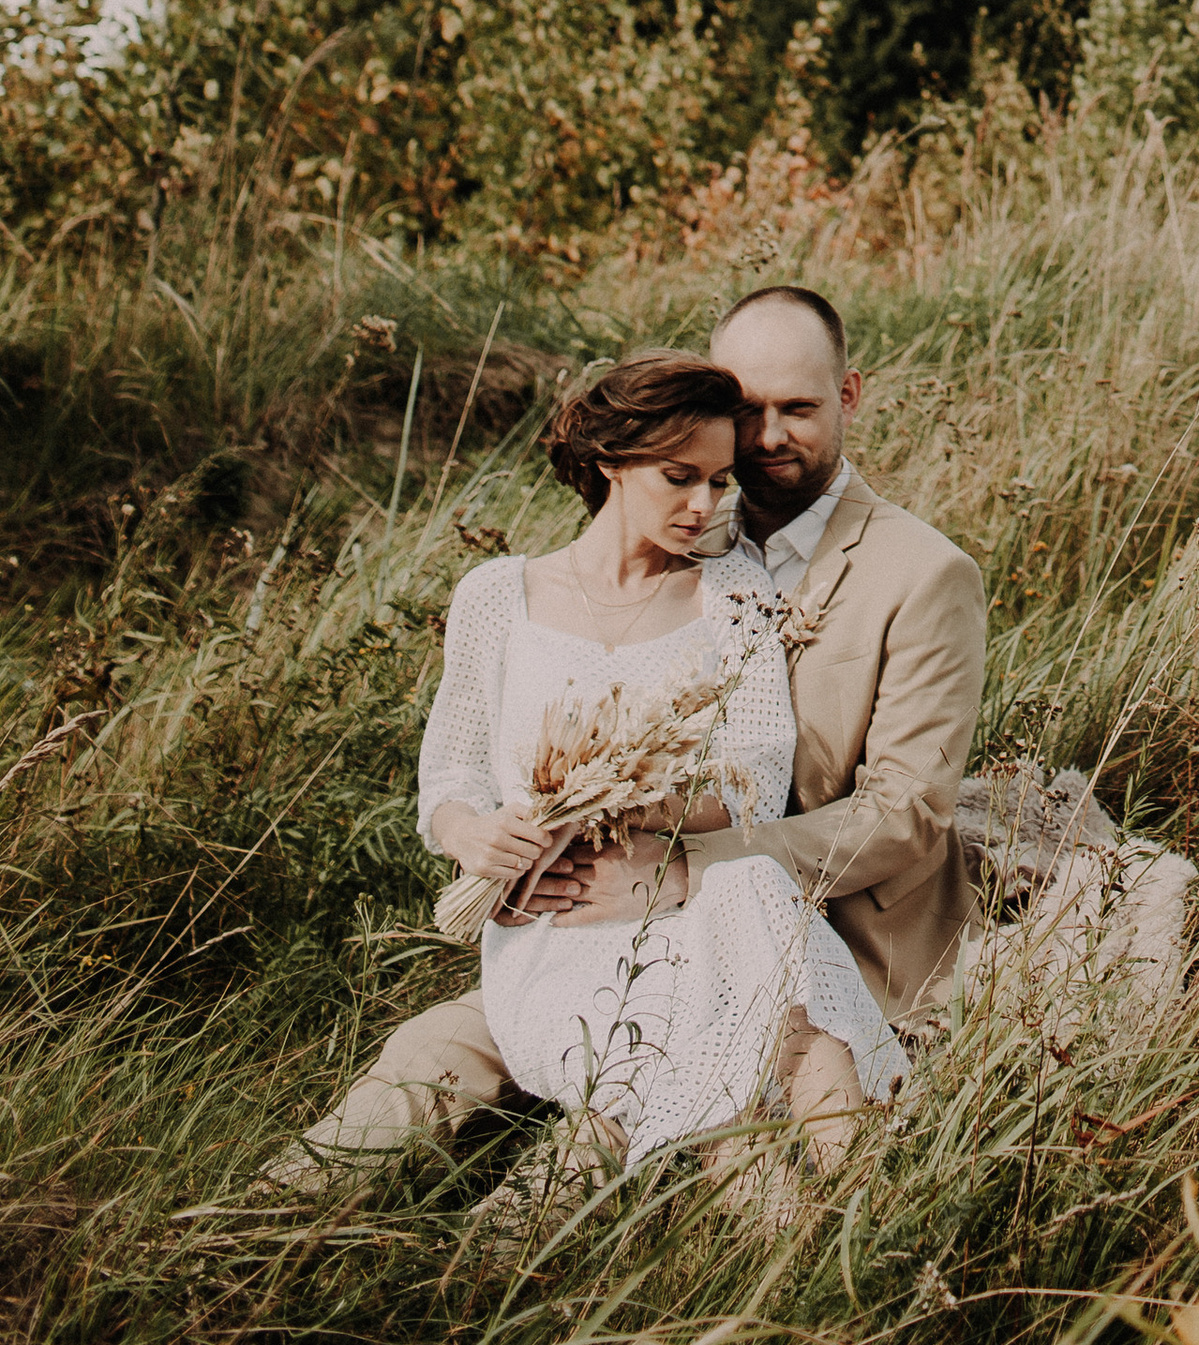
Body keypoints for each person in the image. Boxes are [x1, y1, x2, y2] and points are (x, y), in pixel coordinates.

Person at [284, 287, 986, 1175]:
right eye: (748, 411)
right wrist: (505, 836)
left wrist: (682, 869)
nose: (767, 437)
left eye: (799, 409)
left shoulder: (922, 574)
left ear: (848, 396)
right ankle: (256, 1228)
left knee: (610, 1132)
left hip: (812, 933)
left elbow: (906, 812)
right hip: (589, 929)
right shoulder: (683, 522)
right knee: (422, 1065)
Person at [415, 347, 903, 1173]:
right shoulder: (496, 596)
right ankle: (835, 1192)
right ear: (611, 460)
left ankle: (840, 1188)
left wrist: (623, 799)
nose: (703, 505)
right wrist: (475, 838)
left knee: (752, 895)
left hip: (681, 898)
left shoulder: (732, 591)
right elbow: (449, 777)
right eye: (679, 478)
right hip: (551, 930)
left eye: (718, 482)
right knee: (750, 982)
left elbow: (755, 783)